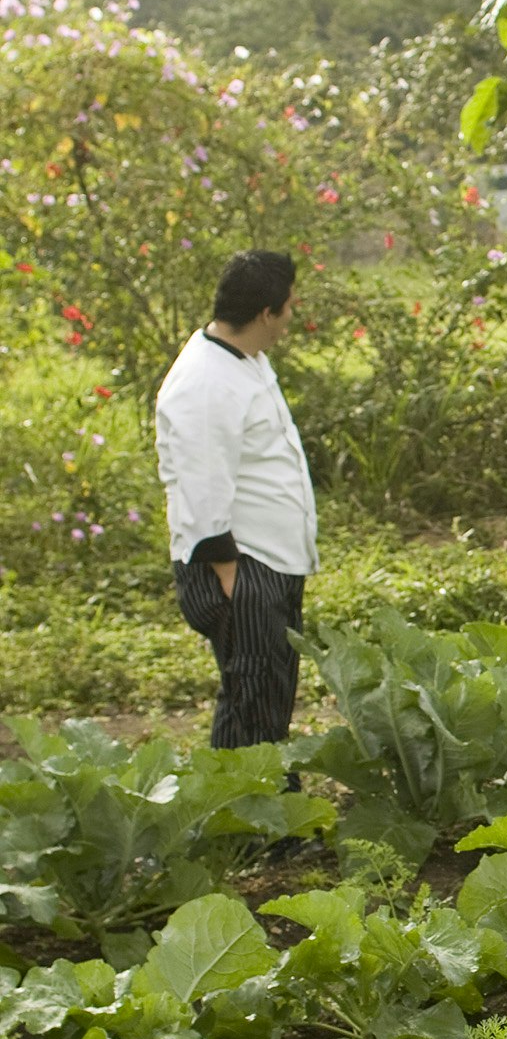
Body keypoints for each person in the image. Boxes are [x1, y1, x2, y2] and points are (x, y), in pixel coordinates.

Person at [154, 248, 317, 748]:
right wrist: (231, 579)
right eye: (288, 308)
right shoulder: (205, 383)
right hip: (241, 566)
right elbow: (201, 489)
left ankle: (275, 798)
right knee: (251, 706)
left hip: (269, 561)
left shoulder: (243, 360)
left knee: (270, 698)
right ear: (266, 313)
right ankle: (245, 802)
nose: (290, 318)